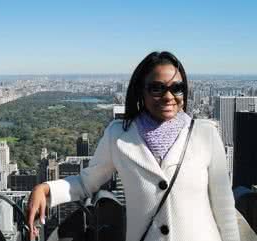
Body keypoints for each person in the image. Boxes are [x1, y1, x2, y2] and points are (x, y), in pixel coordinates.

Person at [27, 51, 240, 241]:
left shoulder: (205, 133)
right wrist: (46, 189)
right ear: (141, 91)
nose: (168, 96)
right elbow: (86, 182)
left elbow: (224, 206)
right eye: (157, 88)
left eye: (177, 88)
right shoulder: (118, 135)